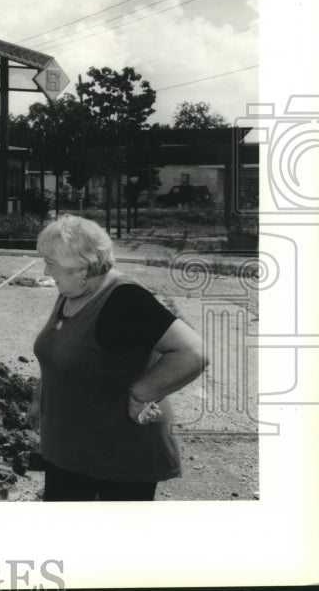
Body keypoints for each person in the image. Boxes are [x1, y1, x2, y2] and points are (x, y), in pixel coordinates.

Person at [30, 214, 208, 501]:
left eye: (51, 264)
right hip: (71, 452)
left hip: (119, 456)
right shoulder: (72, 291)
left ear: (82, 268)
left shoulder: (126, 301)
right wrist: (41, 398)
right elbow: (62, 351)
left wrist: (141, 394)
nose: (45, 270)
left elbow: (194, 353)